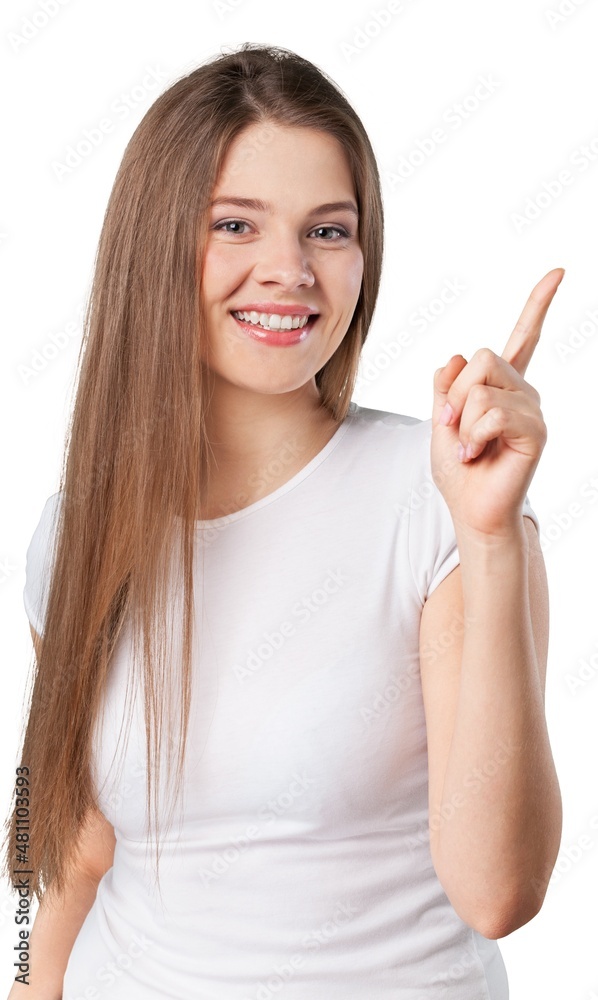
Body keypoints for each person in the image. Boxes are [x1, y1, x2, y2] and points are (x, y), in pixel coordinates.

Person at [3, 42, 563, 999]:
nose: (288, 270)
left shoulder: (437, 502)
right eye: (235, 224)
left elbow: (497, 893)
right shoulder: (77, 527)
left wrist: (491, 539)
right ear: (155, 244)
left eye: (328, 232)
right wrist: (21, 979)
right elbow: (55, 839)